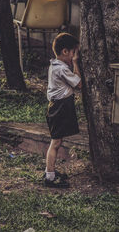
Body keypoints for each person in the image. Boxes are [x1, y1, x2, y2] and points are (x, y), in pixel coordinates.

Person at [44, 32, 81, 188]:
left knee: (56, 141)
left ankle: (50, 173)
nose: (74, 56)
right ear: (65, 52)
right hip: (60, 107)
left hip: (57, 106)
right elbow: (78, 84)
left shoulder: (56, 65)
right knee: (56, 142)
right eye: (73, 52)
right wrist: (76, 63)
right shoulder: (62, 69)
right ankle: (50, 177)